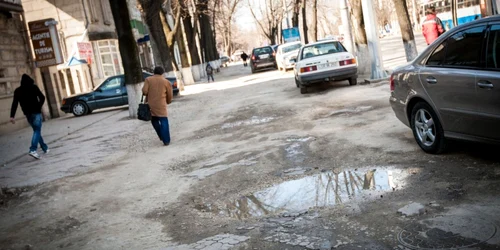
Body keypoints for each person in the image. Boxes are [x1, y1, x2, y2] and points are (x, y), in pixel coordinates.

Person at [10, 74, 49, 159]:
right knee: (37, 130)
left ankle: (45, 147)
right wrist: (39, 106)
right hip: (36, 112)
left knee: (36, 130)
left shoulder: (18, 91)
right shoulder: (34, 87)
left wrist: (12, 116)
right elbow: (42, 97)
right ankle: (33, 149)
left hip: (28, 114)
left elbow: (15, 104)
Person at [142, 66, 173, 146]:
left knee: (154, 120)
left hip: (151, 105)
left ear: (154, 72)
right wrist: (168, 101)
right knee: (164, 121)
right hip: (161, 105)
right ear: (162, 73)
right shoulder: (166, 82)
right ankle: (166, 140)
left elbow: (145, 91)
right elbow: (169, 95)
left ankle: (161, 136)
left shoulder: (148, 80)